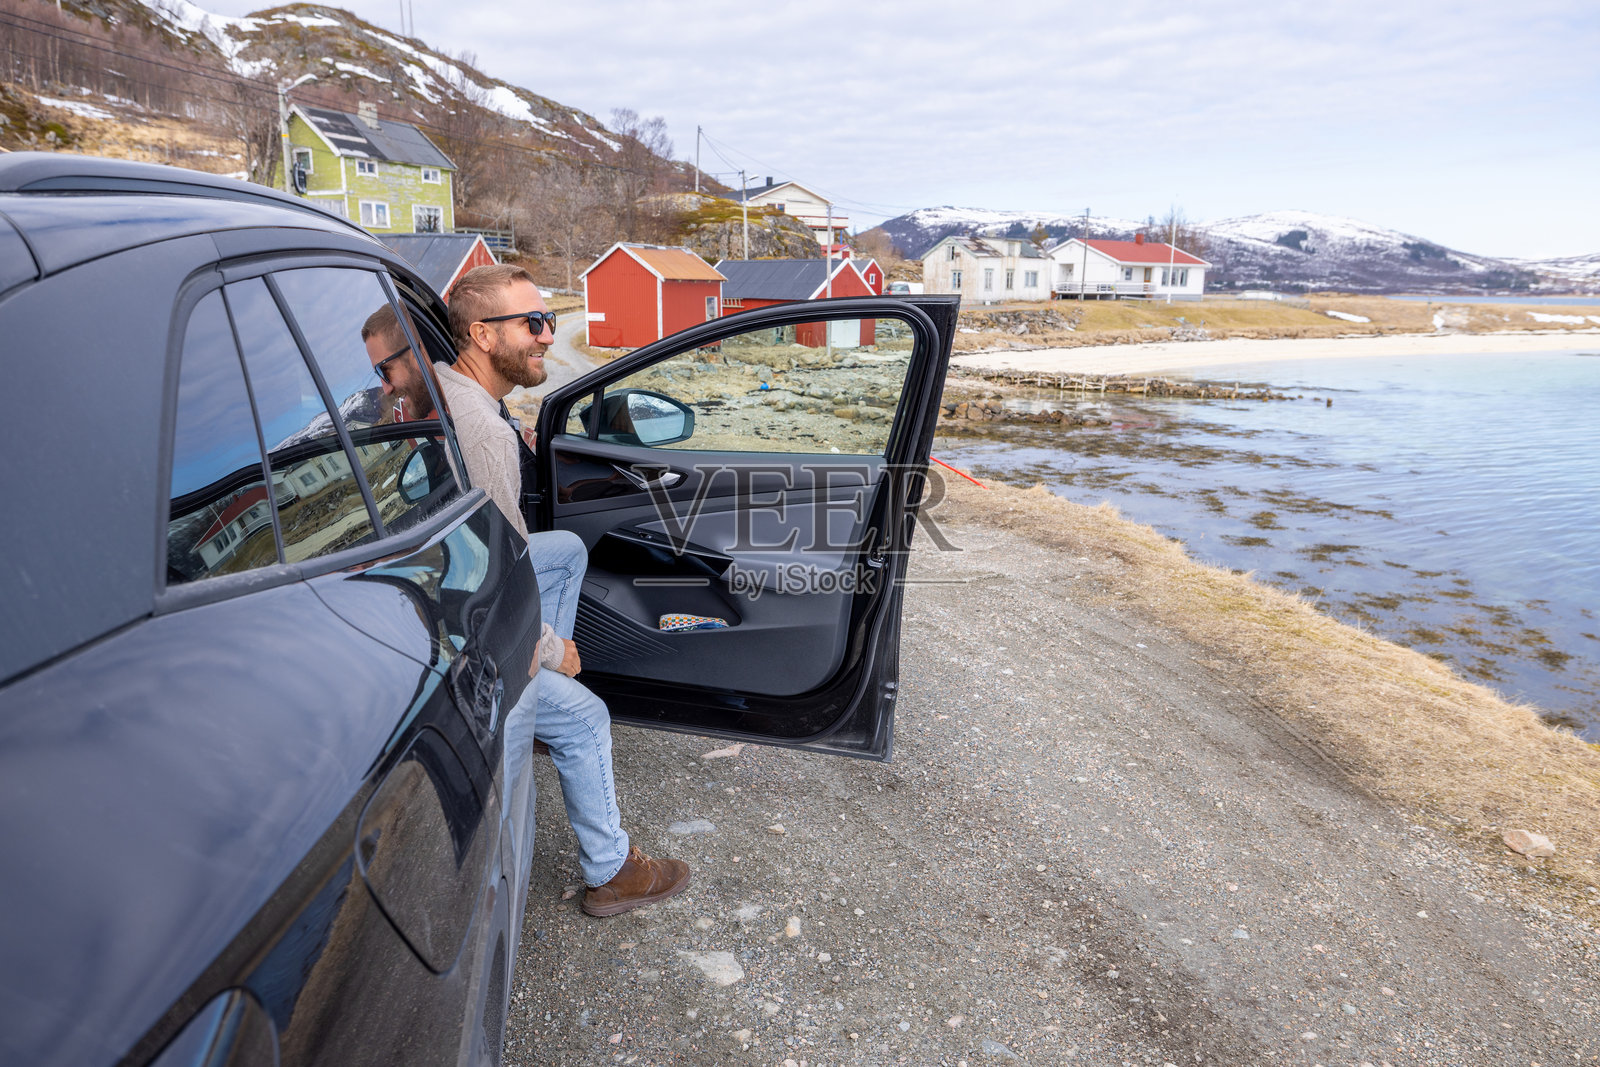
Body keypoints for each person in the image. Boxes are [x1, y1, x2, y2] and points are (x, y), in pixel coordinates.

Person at [427, 266, 690, 917]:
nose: (548, 334)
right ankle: (612, 870)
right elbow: (498, 583)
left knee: (567, 550)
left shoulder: (448, 384)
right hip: (458, 620)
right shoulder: (485, 437)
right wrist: (551, 651)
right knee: (586, 716)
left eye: (548, 320)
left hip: (438, 580)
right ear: (483, 334)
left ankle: (533, 713)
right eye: (534, 323)